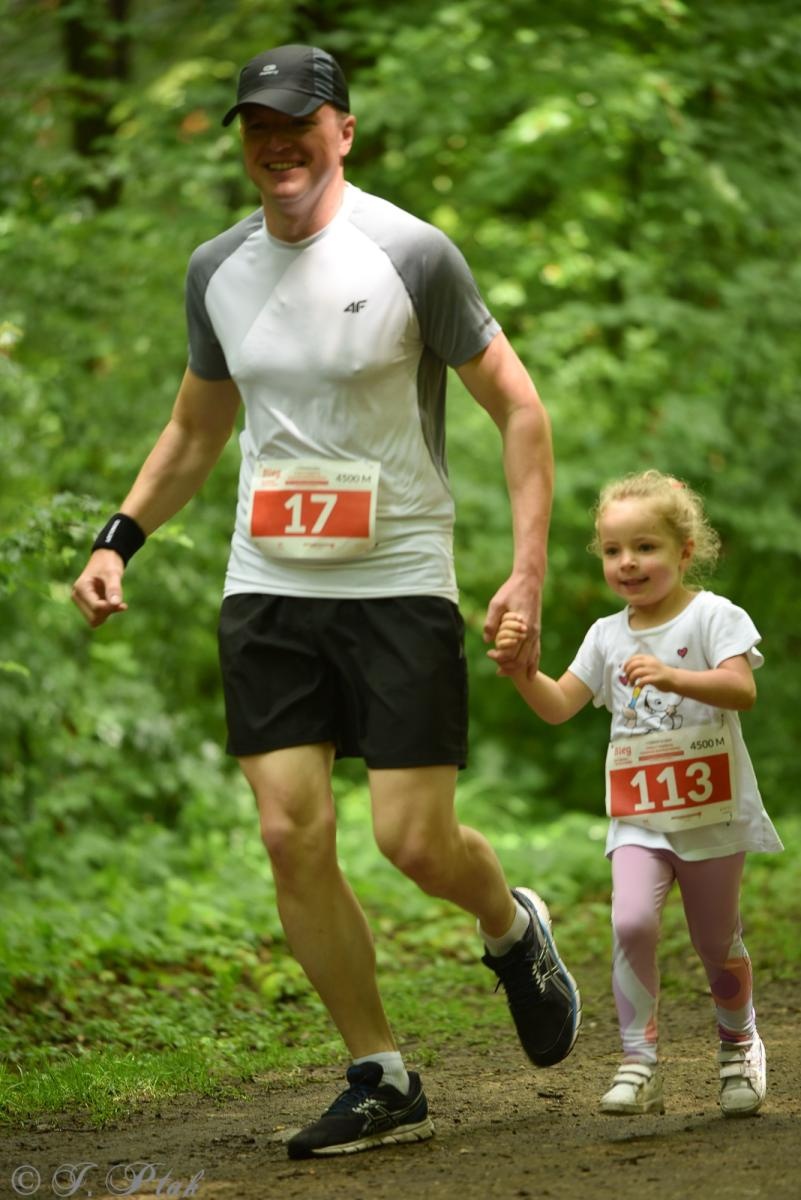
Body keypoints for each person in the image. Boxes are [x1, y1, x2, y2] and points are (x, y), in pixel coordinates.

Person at [71, 44, 581, 1157]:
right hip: (268, 587)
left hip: (397, 584)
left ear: (344, 129)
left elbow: (522, 412)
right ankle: (381, 1071)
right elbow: (198, 426)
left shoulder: (411, 252)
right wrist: (122, 537)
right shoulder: (218, 269)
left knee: (412, 843)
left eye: (299, 121)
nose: (277, 141)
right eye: (258, 124)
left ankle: (511, 926)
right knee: (288, 831)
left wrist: (527, 571)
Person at [493, 469, 783, 1118]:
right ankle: (637, 1060)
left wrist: (675, 677)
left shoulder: (713, 616)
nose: (628, 563)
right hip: (641, 816)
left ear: (684, 551)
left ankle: (738, 1045)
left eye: (645, 547)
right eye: (612, 551)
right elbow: (559, 705)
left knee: (715, 943)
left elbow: (742, 691)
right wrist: (521, 674)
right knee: (630, 921)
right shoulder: (604, 634)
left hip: (711, 815)